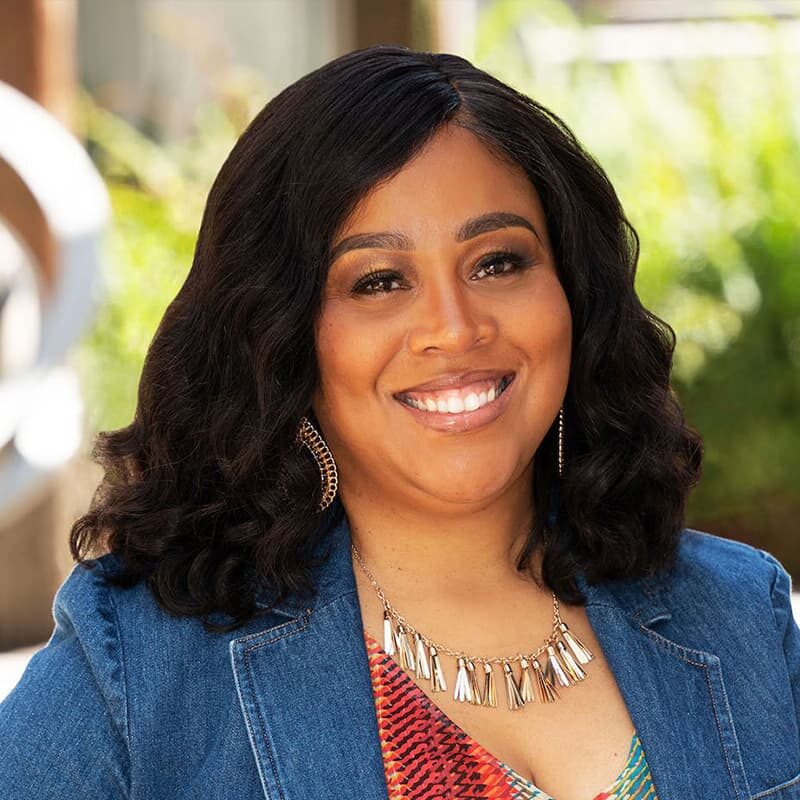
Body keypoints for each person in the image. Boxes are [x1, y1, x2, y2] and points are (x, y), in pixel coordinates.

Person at [1, 44, 798, 800]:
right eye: (379, 280)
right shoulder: (144, 663)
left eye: (498, 262)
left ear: (573, 296)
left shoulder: (738, 615)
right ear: (280, 336)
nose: (454, 328)